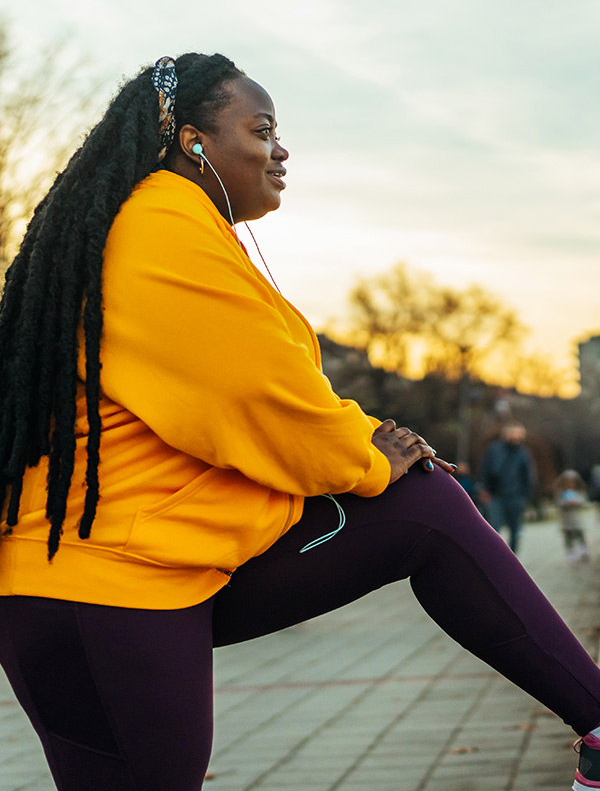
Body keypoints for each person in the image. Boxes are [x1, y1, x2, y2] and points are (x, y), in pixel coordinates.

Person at [0, 53, 598, 791]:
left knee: (426, 507)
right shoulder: (156, 225)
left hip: (155, 571)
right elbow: (257, 397)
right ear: (194, 142)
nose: (280, 149)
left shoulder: (173, 224)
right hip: (103, 593)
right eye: (262, 129)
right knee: (421, 501)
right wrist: (368, 453)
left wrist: (368, 448)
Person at [479, 422, 535, 553]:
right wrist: (484, 489)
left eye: (518, 435)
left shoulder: (523, 453)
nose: (515, 437)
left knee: (515, 530)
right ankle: (494, 556)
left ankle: (512, 559)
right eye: (512, 434)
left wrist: (525, 496)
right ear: (506, 435)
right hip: (495, 495)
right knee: (493, 529)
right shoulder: (494, 449)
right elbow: (485, 469)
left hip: (516, 496)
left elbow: (528, 476)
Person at [554, 470, 590, 563]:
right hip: (566, 519)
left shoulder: (578, 492)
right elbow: (558, 503)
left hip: (576, 518)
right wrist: (565, 504)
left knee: (579, 533)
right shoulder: (561, 494)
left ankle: (583, 550)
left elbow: (583, 501)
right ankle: (570, 552)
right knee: (568, 535)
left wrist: (576, 502)